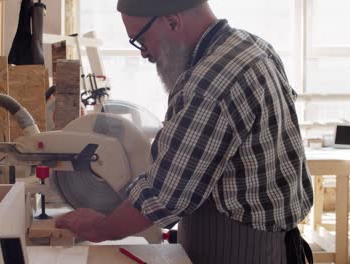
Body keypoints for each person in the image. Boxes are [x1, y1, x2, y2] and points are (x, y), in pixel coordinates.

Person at [56, 1, 314, 263]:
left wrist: (99, 227)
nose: (144, 53)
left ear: (172, 21)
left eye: (141, 39)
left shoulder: (210, 81)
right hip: (272, 242)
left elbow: (163, 197)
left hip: (238, 251)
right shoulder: (253, 47)